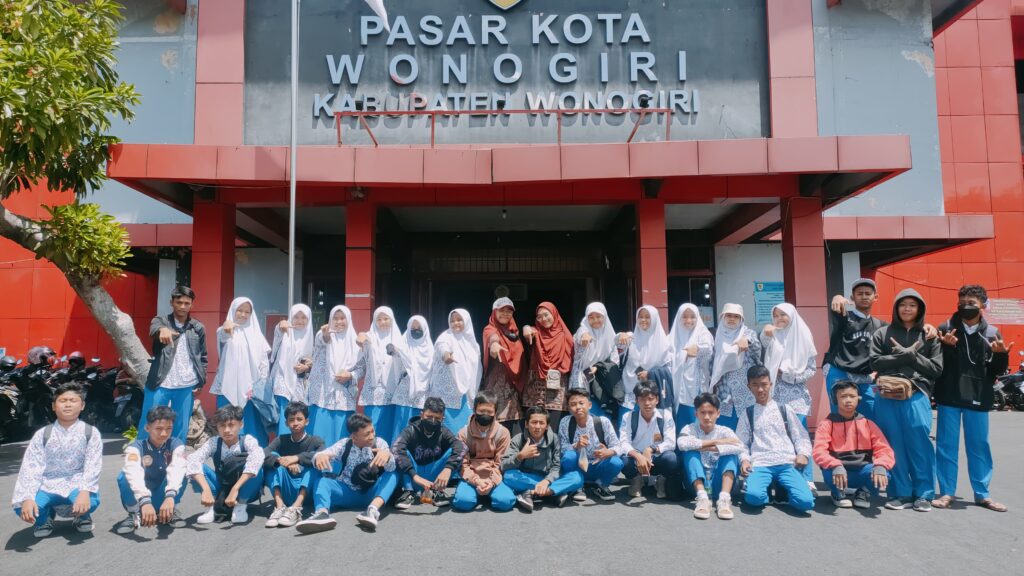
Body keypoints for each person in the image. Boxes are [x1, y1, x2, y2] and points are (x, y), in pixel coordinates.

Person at [932, 284, 1010, 512]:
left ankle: (982, 494)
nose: (966, 306)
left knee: (979, 447)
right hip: (949, 397)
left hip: (979, 397)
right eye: (962, 302)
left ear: (983, 305)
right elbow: (937, 366)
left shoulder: (992, 333)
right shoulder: (946, 328)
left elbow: (996, 371)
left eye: (971, 303)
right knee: (946, 446)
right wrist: (946, 348)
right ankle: (947, 492)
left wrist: (1001, 356)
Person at [870, 288, 942, 512]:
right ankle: (899, 493)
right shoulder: (882, 333)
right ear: (896, 308)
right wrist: (902, 356)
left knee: (920, 442)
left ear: (920, 309)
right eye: (903, 304)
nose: (907, 309)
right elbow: (874, 362)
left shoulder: (929, 335)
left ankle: (924, 494)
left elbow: (936, 369)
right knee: (893, 443)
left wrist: (913, 356)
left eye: (912, 305)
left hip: (916, 393)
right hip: (886, 394)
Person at [12, 382, 101, 538]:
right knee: (22, 507)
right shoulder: (42, 434)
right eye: (62, 400)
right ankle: (45, 518)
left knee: (90, 501)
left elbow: (93, 465)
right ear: (54, 406)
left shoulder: (90, 432)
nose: (67, 404)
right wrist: (28, 497)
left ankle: (82, 517)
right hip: (47, 484)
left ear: (82, 405)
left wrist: (84, 491)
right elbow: (31, 467)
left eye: (73, 400)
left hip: (76, 482)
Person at [295, 413, 398, 533]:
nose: (372, 436)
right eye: (367, 434)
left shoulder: (379, 443)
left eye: (372, 431)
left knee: (393, 474)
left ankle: (372, 510)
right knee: (322, 481)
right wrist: (320, 456)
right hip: (347, 492)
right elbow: (327, 452)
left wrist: (388, 456)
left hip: (371, 494)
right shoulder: (345, 444)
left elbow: (391, 467)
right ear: (354, 437)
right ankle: (322, 514)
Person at [736, 366, 815, 514]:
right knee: (754, 498)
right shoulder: (747, 413)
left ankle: (783, 487)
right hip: (760, 464)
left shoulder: (784, 409)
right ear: (749, 387)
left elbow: (801, 436)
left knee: (806, 502)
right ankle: (764, 489)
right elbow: (741, 444)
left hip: (787, 463)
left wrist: (803, 454)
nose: (760, 389)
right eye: (755, 385)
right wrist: (745, 460)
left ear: (770, 384)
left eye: (764, 384)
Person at [139, 286, 208, 445]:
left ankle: (175, 455)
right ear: (172, 303)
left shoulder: (197, 327)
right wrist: (162, 330)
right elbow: (154, 330)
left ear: (191, 305)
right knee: (149, 422)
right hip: (160, 382)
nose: (182, 306)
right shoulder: (160, 321)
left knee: (180, 428)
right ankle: (142, 454)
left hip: (186, 384)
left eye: (186, 303)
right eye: (179, 302)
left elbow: (203, 357)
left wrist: (201, 381)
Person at [761, 302, 818, 489]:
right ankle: (783, 481)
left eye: (783, 315)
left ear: (792, 316)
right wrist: (766, 334)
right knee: (778, 436)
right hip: (775, 395)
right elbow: (763, 344)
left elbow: (811, 369)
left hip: (796, 397)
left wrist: (786, 375)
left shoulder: (803, 335)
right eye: (776, 316)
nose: (779, 319)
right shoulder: (774, 335)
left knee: (799, 436)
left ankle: (807, 479)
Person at [812, 381, 894, 509]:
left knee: (884, 473)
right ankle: (837, 492)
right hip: (837, 471)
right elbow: (819, 452)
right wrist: (835, 465)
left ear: (858, 399)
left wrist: (881, 465)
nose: (848, 400)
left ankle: (863, 493)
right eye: (843, 396)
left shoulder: (868, 424)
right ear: (835, 400)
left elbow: (884, 449)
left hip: (862, 471)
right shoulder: (826, 425)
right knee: (828, 471)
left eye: (852, 396)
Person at [186, 405, 265, 525]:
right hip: (222, 487)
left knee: (257, 467)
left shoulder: (247, 441)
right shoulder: (214, 442)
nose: (227, 430)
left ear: (241, 424)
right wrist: (206, 489)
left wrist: (235, 489)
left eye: (231, 425)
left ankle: (240, 506)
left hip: (246, 489)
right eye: (222, 426)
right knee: (194, 467)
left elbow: (257, 458)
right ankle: (211, 506)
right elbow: (193, 459)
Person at [115, 406, 187, 534]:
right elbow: (133, 471)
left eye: (169, 429)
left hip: (165, 496)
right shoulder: (135, 447)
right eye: (158, 429)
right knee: (124, 475)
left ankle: (170, 510)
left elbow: (177, 468)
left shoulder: (176, 444)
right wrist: (145, 501)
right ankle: (134, 514)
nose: (164, 433)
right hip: (141, 499)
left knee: (184, 470)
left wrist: (170, 496)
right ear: (147, 428)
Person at [210, 296, 272, 446]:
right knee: (228, 423)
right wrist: (226, 327)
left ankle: (256, 455)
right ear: (233, 310)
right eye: (239, 310)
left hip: (252, 391)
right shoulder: (225, 331)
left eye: (247, 312)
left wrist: (260, 385)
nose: (243, 315)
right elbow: (222, 338)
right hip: (228, 388)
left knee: (253, 426)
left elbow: (264, 363)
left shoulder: (257, 335)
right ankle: (230, 455)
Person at [824, 279, 886, 420]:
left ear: (875, 297)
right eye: (859, 293)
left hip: (864, 377)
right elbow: (837, 310)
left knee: (871, 417)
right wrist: (837, 297)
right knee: (841, 418)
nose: (864, 296)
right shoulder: (845, 318)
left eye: (868, 293)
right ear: (852, 298)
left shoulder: (881, 326)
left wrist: (925, 327)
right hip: (840, 372)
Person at [501, 406, 584, 511]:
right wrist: (520, 456)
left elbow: (556, 467)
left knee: (577, 477)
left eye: (541, 423)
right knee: (508, 476)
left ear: (547, 426)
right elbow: (503, 465)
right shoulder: (518, 439)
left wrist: (546, 481)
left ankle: (531, 493)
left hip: (548, 478)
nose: (537, 426)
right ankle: (553, 492)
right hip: (527, 478)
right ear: (526, 424)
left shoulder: (554, 439)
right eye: (534, 422)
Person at [677, 392, 742, 520]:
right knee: (690, 453)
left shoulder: (725, 431)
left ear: (718, 413)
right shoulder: (689, 429)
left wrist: (711, 447)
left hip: (718, 481)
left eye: (711, 412)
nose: (707, 417)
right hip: (696, 483)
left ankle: (724, 499)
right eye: (702, 412)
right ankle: (702, 499)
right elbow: (682, 444)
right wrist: (718, 441)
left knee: (730, 455)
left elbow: (739, 446)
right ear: (696, 414)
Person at [391, 396, 465, 510]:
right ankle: (408, 491)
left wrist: (448, 468)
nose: (433, 421)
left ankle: (437, 491)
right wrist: (414, 476)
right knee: (400, 451)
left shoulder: (444, 432)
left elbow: (461, 447)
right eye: (429, 416)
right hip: (413, 476)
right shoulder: (410, 430)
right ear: (422, 415)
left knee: (456, 450)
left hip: (434, 476)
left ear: (443, 419)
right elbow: (396, 448)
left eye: (437, 418)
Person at [306, 305, 364, 445]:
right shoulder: (323, 335)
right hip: (322, 395)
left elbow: (362, 368)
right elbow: (321, 341)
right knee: (320, 435)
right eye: (335, 318)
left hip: (344, 397)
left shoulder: (356, 342)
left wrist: (350, 375)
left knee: (341, 437)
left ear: (348, 319)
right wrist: (326, 336)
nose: (339, 322)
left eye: (342, 318)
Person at [263, 401, 324, 528]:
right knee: (272, 463)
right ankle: (280, 507)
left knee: (315, 465)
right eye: (291, 420)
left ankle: (296, 508)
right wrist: (283, 462)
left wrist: (296, 458)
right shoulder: (281, 440)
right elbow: (264, 454)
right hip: (287, 489)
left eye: (299, 419)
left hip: (307, 492)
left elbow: (322, 454)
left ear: (306, 421)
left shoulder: (315, 440)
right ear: (286, 423)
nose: (295, 423)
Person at [452, 391, 516, 512]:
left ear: (495, 412)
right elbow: (463, 465)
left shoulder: (503, 433)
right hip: (471, 476)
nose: (485, 414)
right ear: (475, 410)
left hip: (494, 476)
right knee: (463, 502)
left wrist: (491, 482)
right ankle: (476, 494)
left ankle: (486, 494)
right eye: (481, 411)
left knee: (505, 502)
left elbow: (501, 463)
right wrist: (476, 481)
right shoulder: (463, 433)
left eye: (489, 412)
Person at [558, 388, 624, 502]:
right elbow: (561, 449)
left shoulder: (602, 421)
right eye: (573, 404)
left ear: (589, 405)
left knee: (616, 462)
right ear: (568, 408)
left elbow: (618, 446)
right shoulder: (565, 422)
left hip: (597, 465)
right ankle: (577, 486)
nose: (578, 407)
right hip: (577, 467)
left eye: (581, 403)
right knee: (569, 456)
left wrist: (608, 452)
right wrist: (576, 446)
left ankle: (601, 485)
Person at [618, 382, 678, 500]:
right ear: (637, 401)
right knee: (622, 461)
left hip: (656, 458)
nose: (647, 403)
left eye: (650, 399)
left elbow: (671, 442)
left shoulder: (666, 415)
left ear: (657, 399)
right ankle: (636, 480)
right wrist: (638, 456)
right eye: (642, 399)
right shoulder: (628, 417)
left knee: (671, 458)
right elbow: (623, 443)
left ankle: (660, 480)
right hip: (637, 461)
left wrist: (650, 450)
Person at [427, 309, 483, 434]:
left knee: (465, 431)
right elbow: (442, 347)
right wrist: (446, 356)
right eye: (452, 321)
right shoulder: (445, 337)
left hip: (466, 395)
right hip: (448, 395)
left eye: (459, 320)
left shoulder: (473, 343)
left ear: (467, 321)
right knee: (447, 431)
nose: (455, 323)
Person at [522, 302, 575, 428]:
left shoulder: (564, 335)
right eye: (539, 317)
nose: (544, 319)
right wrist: (526, 327)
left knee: (555, 426)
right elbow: (529, 332)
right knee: (535, 425)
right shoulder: (536, 332)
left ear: (554, 314)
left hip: (557, 386)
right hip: (536, 389)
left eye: (546, 315)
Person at [357, 306, 406, 444]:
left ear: (392, 320)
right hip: (373, 394)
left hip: (393, 392)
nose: (382, 322)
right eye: (379, 319)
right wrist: (361, 339)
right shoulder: (369, 338)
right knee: (372, 427)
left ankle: (387, 456)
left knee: (390, 428)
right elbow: (360, 359)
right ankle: (371, 455)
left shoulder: (400, 340)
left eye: (386, 319)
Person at [710, 303, 762, 430]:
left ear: (741, 319)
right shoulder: (716, 336)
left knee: (748, 428)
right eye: (729, 315)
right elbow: (711, 364)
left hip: (744, 391)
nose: (732, 319)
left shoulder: (748, 333)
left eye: (736, 316)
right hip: (724, 392)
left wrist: (747, 340)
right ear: (723, 317)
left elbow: (757, 351)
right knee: (726, 430)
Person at [569, 302, 621, 425]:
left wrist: (599, 367)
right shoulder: (583, 329)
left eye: (598, 316)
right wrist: (585, 336)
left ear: (604, 317)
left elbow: (615, 361)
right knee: (582, 414)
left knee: (601, 418)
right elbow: (581, 334)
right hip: (582, 379)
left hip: (602, 382)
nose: (595, 320)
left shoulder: (610, 335)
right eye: (591, 317)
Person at [620, 305, 673, 422]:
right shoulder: (631, 338)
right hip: (630, 393)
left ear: (654, 319)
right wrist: (621, 336)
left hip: (652, 396)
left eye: (647, 317)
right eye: (640, 317)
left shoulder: (664, 344)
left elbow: (669, 370)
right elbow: (618, 342)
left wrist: (649, 374)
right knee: (627, 425)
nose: (643, 320)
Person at [482, 297, 526, 435]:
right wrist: (494, 344)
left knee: (515, 427)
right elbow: (492, 336)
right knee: (495, 426)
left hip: (514, 387)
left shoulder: (514, 333)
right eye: (501, 310)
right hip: (497, 386)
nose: (505, 314)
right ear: (494, 312)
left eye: (509, 311)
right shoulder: (490, 329)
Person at [269, 304, 314, 437]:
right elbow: (278, 331)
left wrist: (307, 367)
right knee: (285, 420)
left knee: (300, 419)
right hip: (283, 385)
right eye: (296, 317)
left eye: (304, 318)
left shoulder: (311, 338)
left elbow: (316, 362)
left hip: (301, 386)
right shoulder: (285, 333)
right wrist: (280, 325)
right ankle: (283, 447)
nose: (300, 321)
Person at [388, 315, 434, 443]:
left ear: (425, 329)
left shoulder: (431, 350)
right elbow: (395, 352)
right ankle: (397, 453)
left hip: (422, 395)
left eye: (419, 327)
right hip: (405, 394)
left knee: (419, 427)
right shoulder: (403, 346)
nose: (416, 330)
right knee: (401, 426)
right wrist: (392, 349)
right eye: (412, 328)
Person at [668, 303, 714, 429]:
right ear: (679, 318)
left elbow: (708, 348)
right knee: (680, 425)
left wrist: (697, 348)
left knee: (696, 423)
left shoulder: (702, 333)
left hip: (695, 388)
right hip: (676, 388)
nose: (689, 320)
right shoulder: (672, 337)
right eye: (685, 317)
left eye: (692, 317)